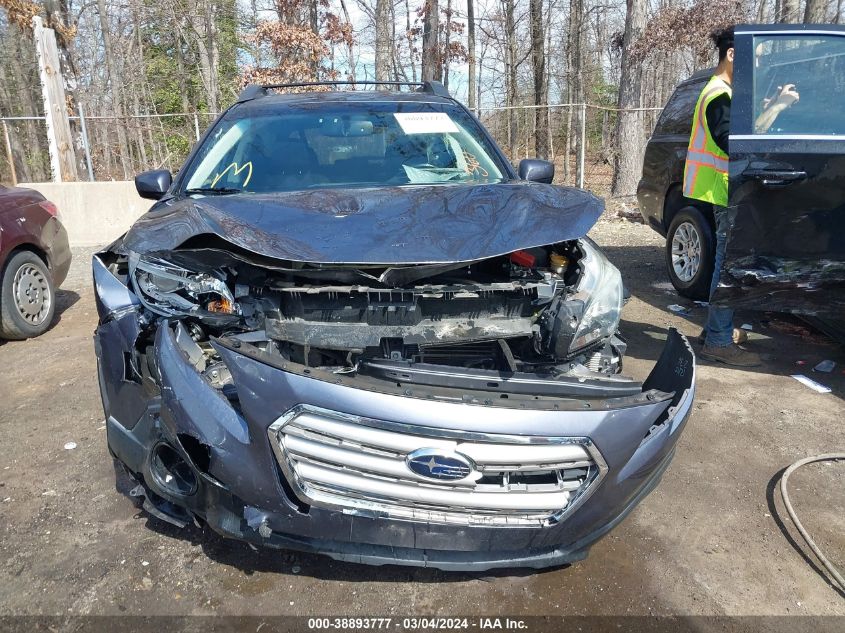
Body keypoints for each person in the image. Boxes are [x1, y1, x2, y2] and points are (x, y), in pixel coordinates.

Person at [683, 27, 760, 367]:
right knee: (726, 266)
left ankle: (717, 329)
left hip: (720, 188)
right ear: (732, 54)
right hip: (722, 189)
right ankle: (718, 338)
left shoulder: (722, 92)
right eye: (749, 59)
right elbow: (734, 146)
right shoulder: (718, 96)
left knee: (722, 263)